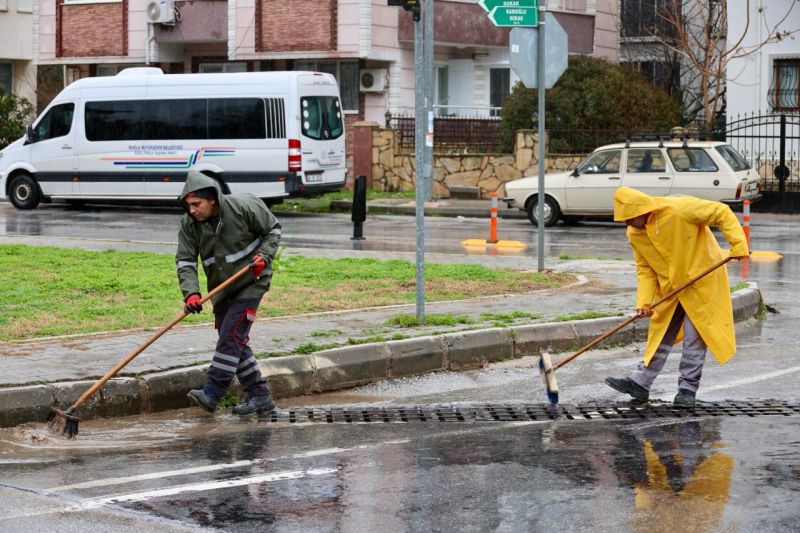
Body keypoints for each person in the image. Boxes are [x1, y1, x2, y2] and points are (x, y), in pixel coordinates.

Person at [605, 187, 749, 407]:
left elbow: (721, 212)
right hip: (670, 288)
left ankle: (687, 390)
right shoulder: (635, 233)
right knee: (660, 335)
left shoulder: (679, 209)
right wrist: (644, 303)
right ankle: (640, 383)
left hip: (701, 282)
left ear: (642, 211)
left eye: (629, 219)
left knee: (694, 337)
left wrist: (738, 245)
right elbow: (645, 268)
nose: (626, 224)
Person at [176, 170, 282, 416]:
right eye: (188, 205)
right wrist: (191, 294)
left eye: (196, 204)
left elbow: (273, 230)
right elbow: (185, 261)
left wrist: (264, 257)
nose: (192, 210)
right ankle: (260, 396)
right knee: (235, 341)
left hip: (251, 281)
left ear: (212, 198)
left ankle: (212, 392)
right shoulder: (189, 224)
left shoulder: (244, 206)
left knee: (231, 336)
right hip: (221, 289)